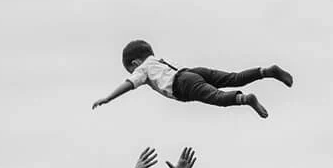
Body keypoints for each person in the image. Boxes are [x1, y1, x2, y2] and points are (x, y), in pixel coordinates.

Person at [93, 40, 293, 119]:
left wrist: (108, 98)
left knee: (216, 97)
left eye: (130, 70)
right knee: (233, 77)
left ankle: (245, 99)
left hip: (182, 85)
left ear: (135, 63)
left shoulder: (142, 68)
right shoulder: (158, 60)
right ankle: (266, 71)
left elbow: (129, 85)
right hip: (192, 71)